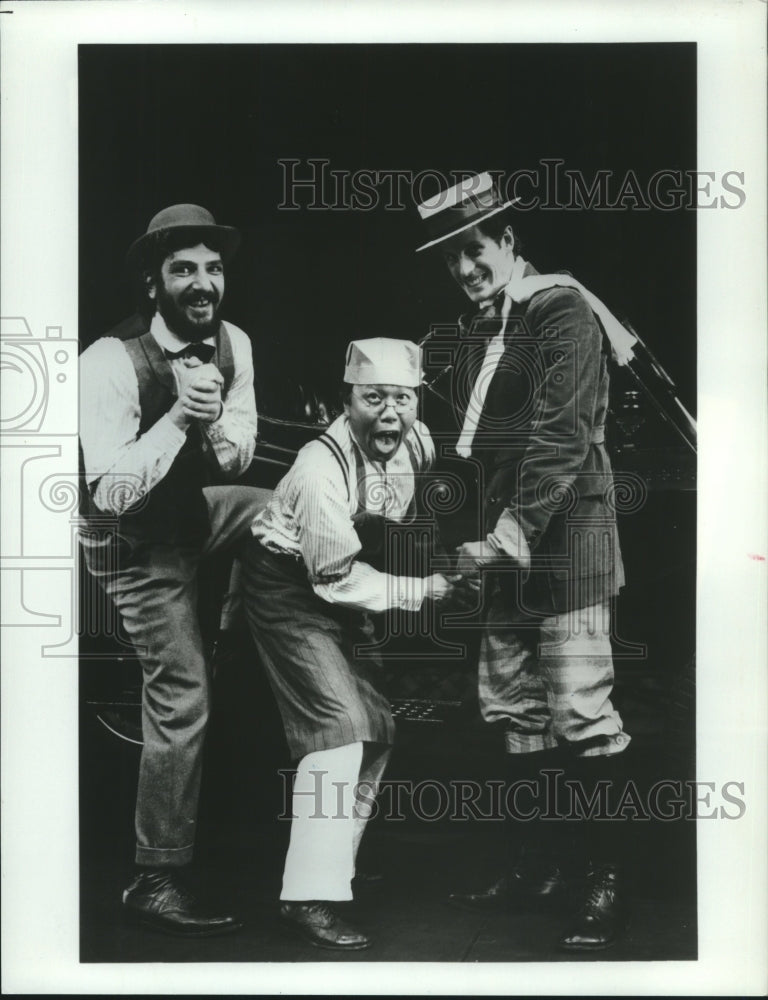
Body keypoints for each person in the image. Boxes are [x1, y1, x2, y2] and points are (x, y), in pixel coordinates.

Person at [415, 172, 634, 951]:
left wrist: (505, 535)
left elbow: (562, 437)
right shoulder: (481, 330)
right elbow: (475, 447)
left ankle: (602, 879)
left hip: (564, 544)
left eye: (474, 249)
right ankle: (536, 863)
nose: (466, 268)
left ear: (508, 241)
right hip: (503, 552)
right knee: (514, 710)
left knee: (579, 709)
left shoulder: (561, 310)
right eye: (451, 259)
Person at [79, 204, 266, 936]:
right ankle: (155, 877)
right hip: (132, 543)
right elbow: (111, 495)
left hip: (192, 515)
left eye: (213, 268)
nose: (203, 283)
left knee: (288, 513)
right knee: (184, 689)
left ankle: (244, 620)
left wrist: (216, 423)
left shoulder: (235, 344)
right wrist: (181, 417)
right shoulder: (109, 361)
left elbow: (239, 456)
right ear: (154, 283)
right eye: (184, 269)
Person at [241, 338, 455, 951]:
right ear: (347, 400)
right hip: (287, 586)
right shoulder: (318, 467)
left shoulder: (417, 441)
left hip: (344, 577)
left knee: (379, 727)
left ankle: (336, 869)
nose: (390, 414)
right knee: (342, 727)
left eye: (403, 398)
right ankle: (306, 898)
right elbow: (332, 579)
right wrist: (426, 590)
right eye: (373, 398)